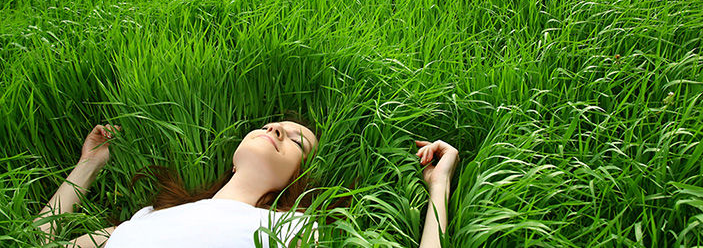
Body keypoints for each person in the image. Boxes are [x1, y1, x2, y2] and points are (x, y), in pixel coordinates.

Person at [34, 121, 460, 248]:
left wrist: (438, 186)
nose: (276, 130)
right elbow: (39, 240)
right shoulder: (146, 219)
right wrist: (87, 167)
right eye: (272, 125)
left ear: (297, 177)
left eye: (297, 141)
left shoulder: (296, 230)